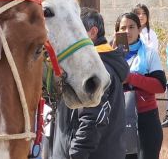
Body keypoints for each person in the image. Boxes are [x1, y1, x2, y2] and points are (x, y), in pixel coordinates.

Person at [52, 8, 129, 159]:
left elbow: (92, 119)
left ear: (92, 32)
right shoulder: (85, 65)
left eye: (74, 31)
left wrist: (76, 154)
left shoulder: (97, 68)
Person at [116, 12, 166, 159]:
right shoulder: (110, 55)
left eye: (131, 27)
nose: (127, 31)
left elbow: (160, 86)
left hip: (146, 119)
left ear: (139, 29)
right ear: (117, 31)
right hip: (118, 117)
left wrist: (130, 78)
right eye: (123, 28)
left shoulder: (150, 54)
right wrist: (112, 57)